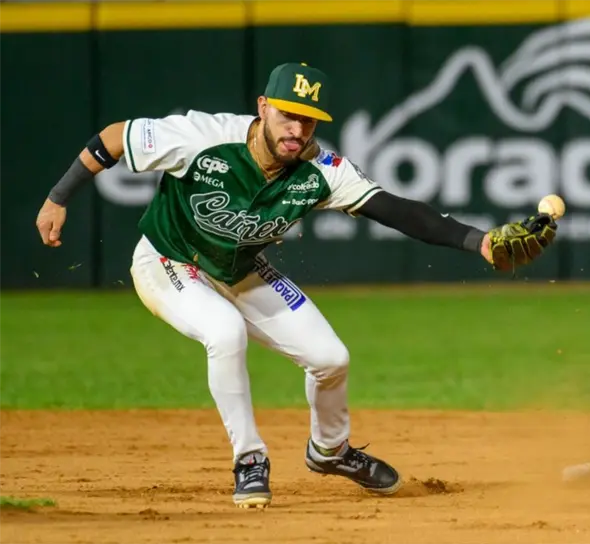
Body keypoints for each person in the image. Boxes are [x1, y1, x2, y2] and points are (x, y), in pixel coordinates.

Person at [34, 62, 558, 509]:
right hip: (168, 261)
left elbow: (397, 210)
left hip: (240, 270)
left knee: (332, 359)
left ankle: (330, 451)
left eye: (307, 120)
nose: (297, 129)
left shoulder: (319, 169)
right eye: (287, 114)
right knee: (224, 333)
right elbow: (114, 138)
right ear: (262, 107)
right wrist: (58, 198)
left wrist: (481, 242)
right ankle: (250, 459)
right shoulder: (204, 137)